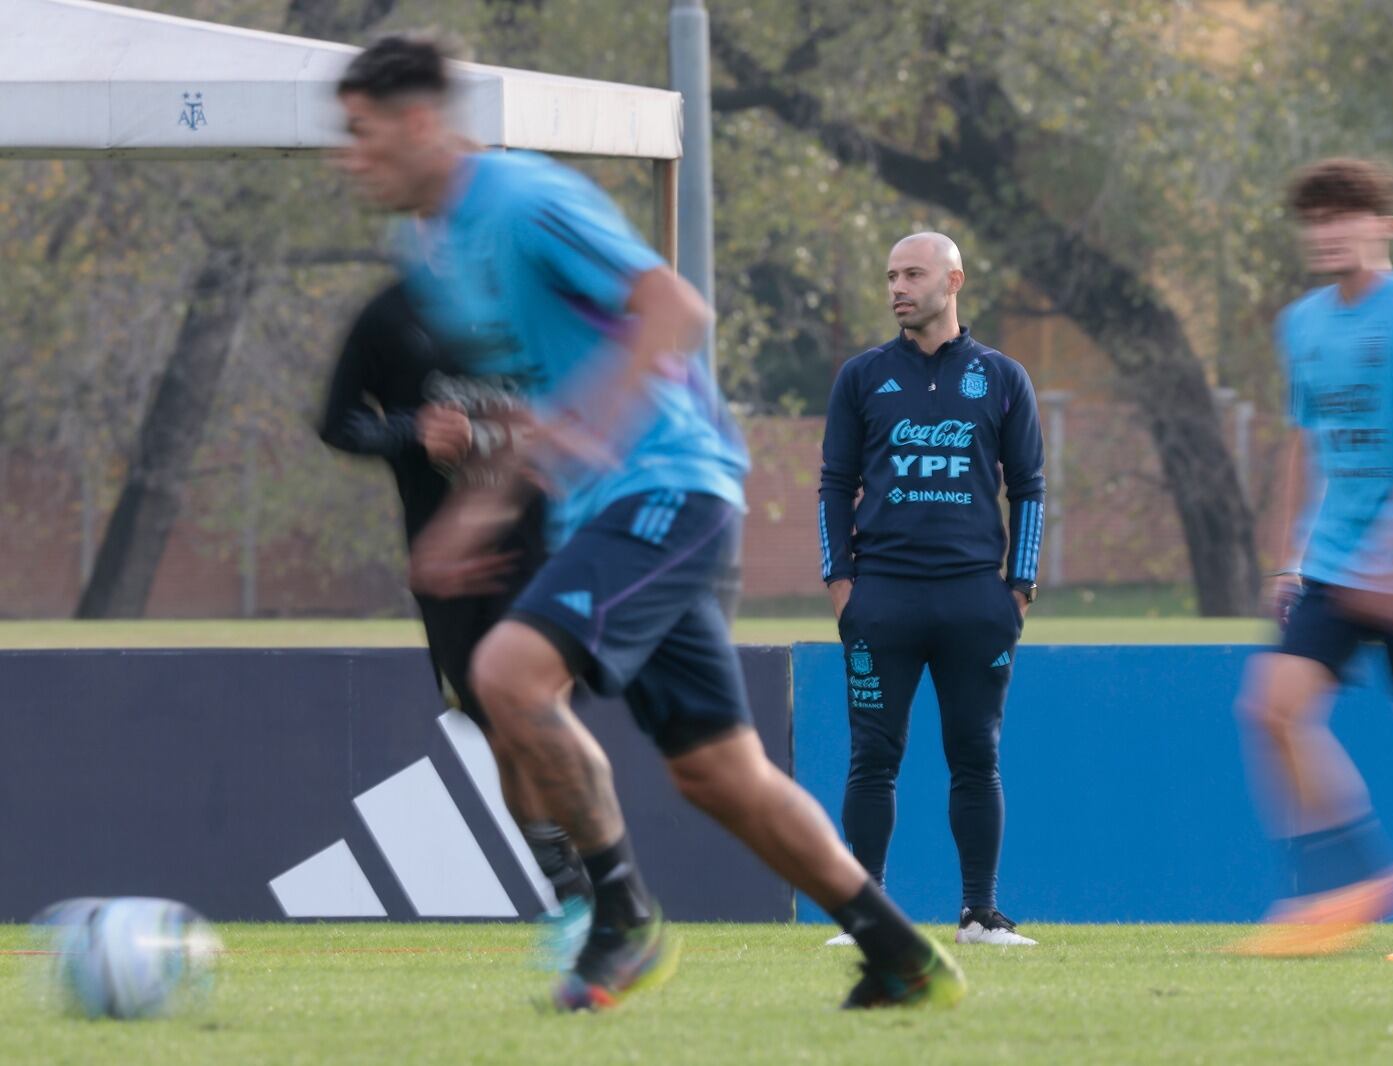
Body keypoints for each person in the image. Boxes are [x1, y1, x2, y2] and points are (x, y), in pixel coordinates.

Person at [333, 35, 965, 1011]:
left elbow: (673, 308)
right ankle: (900, 953)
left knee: (506, 673)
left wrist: (587, 431)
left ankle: (618, 919)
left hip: (669, 481)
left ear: (420, 124)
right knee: (720, 774)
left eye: (361, 134)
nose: (348, 156)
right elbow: (548, 394)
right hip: (616, 501)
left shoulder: (520, 202)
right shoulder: (428, 245)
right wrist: (487, 503)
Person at [1234, 157, 1393, 961]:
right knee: (1270, 708)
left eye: (1345, 215)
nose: (1328, 231)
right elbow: (1304, 450)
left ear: (1384, 225)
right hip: (1336, 565)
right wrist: (1288, 561)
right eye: (1315, 219)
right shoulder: (1301, 323)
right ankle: (1350, 881)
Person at [316, 281, 594, 950]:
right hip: (446, 566)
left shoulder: (544, 298)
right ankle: (572, 890)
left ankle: (604, 894)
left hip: (550, 546)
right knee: (500, 729)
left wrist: (509, 435)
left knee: (535, 706)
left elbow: (598, 408)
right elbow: (338, 422)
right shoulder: (388, 313)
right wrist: (413, 432)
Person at [817, 233, 1044, 947]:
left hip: (975, 601)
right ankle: (867, 915)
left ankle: (979, 913)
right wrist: (840, 584)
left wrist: (1020, 587)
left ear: (954, 280)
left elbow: (1030, 490)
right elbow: (833, 486)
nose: (897, 288)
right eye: (890, 276)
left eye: (912, 274)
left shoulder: (1002, 378)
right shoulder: (862, 377)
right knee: (872, 759)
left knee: (975, 756)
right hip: (881, 599)